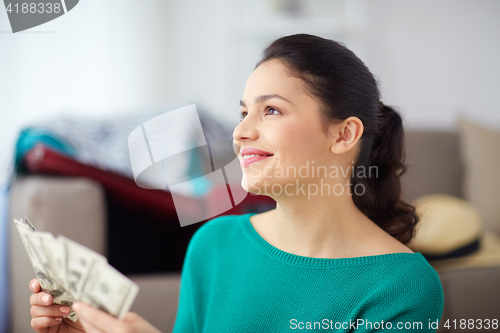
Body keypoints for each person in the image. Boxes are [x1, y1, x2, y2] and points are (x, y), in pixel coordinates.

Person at [28, 33, 444, 333]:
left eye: (272, 111)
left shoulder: (401, 288)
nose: (240, 132)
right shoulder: (214, 243)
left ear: (343, 135)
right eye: (243, 111)